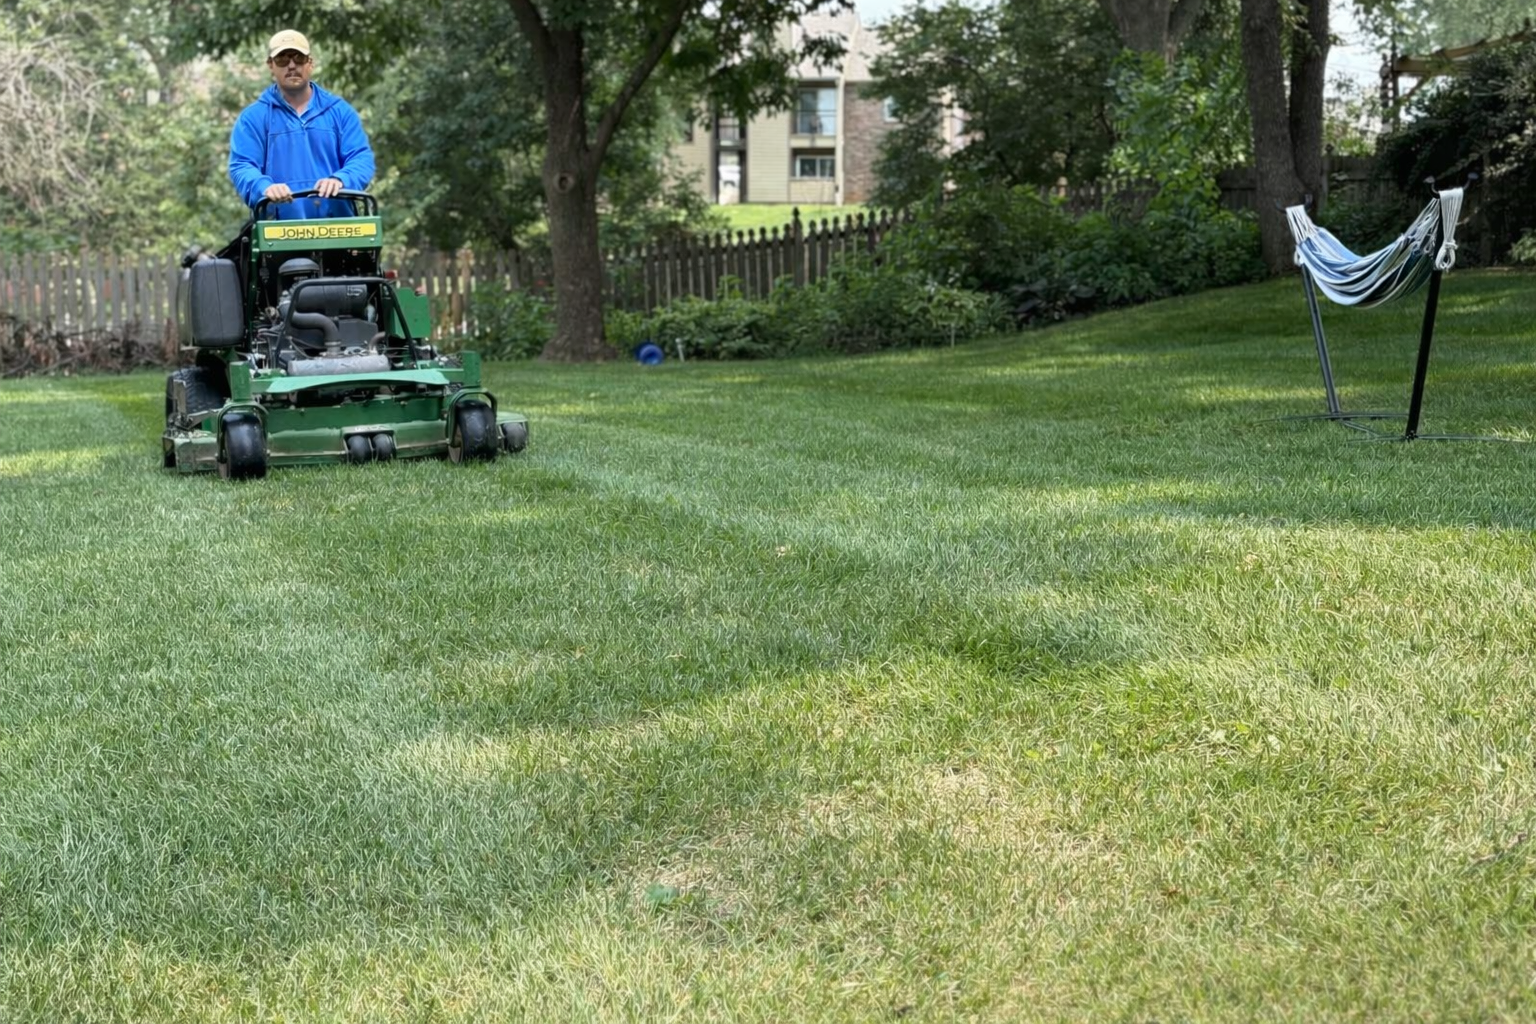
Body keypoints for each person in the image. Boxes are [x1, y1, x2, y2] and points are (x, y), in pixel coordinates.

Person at [228, 30, 375, 221]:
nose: (291, 65)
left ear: (310, 63)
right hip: (279, 235)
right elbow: (242, 165)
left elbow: (361, 158)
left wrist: (341, 180)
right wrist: (264, 187)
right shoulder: (253, 118)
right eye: (282, 59)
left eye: (298, 58)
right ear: (270, 65)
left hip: (339, 231)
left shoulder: (340, 111)